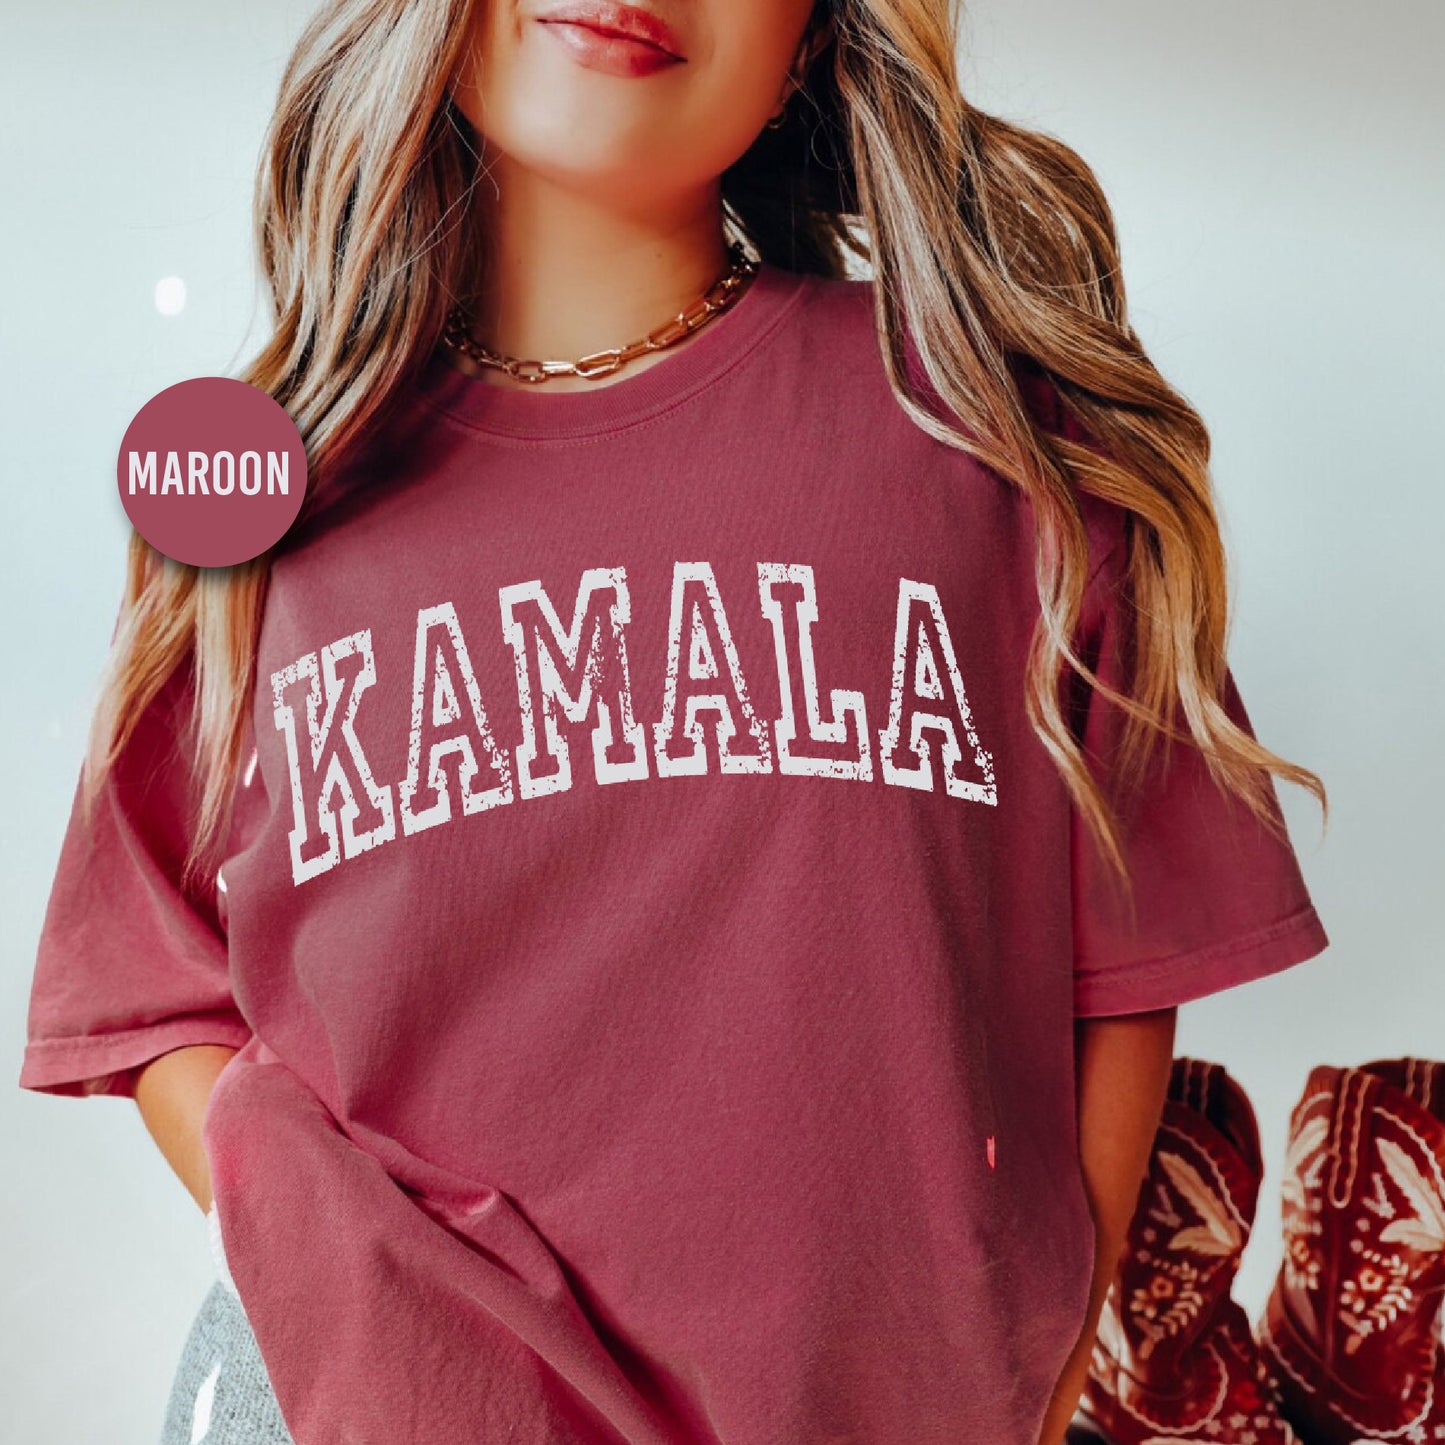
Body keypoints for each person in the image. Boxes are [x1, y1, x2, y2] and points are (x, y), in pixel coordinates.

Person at [18, 0, 1332, 1442]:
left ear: (819, 40)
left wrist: (1035, 1345)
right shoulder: (263, 489)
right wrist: (348, 1276)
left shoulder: (995, 442)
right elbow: (142, 983)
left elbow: (1122, 946)